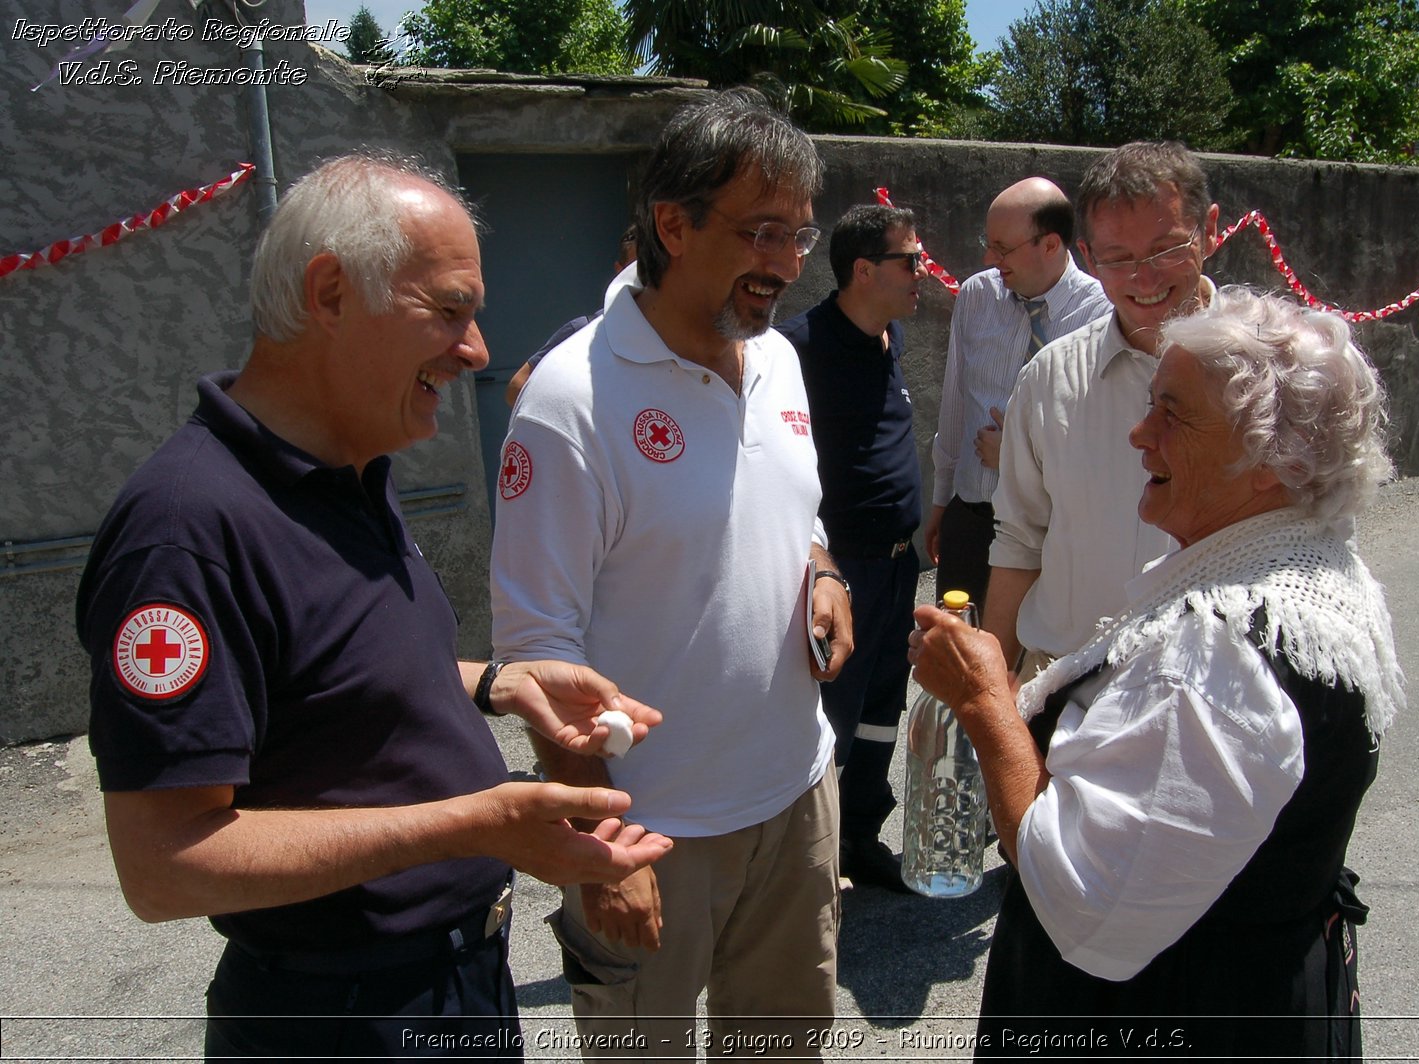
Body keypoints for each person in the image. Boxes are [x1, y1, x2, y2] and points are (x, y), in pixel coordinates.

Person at [75, 153, 674, 1061]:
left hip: (449, 985)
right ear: (329, 293)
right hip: (341, 1017)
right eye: (450, 310)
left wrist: (501, 681)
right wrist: (478, 823)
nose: (476, 350)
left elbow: (323, 676)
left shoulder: (352, 469)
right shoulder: (187, 528)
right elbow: (166, 866)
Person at [909, 287, 1405, 1058]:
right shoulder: (1310, 565)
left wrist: (984, 701)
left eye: (1174, 413)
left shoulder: (1221, 654)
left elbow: (1079, 898)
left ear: (1275, 462)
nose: (1140, 433)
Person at [489, 89, 852, 1058]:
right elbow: (535, 650)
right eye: (762, 231)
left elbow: (795, 511)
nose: (783, 263)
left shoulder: (775, 356)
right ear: (673, 223)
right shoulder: (569, 399)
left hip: (796, 794)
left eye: (798, 234)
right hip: (651, 827)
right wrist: (603, 848)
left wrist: (823, 572)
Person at [986, 142, 1220, 680]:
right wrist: (991, 690)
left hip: (1206, 697)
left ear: (1208, 231)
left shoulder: (1270, 373)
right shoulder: (1048, 380)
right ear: (1089, 258)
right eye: (1118, 257)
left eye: (1166, 249)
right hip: (1064, 693)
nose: (1145, 277)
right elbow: (1020, 539)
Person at [776, 204, 926, 892]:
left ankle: (860, 836)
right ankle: (809, 858)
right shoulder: (796, 348)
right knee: (828, 720)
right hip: (842, 574)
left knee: (880, 714)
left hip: (901, 569)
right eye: (911, 261)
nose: (923, 273)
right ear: (865, 270)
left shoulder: (889, 339)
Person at [926, 177, 1110, 610]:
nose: (991, 259)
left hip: (1052, 535)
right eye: (988, 244)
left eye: (1003, 249)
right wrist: (941, 504)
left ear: (1050, 244)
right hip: (973, 519)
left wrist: (1018, 454)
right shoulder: (977, 296)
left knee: (1030, 673)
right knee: (957, 661)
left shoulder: (1104, 315)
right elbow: (954, 408)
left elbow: (1105, 443)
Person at [504, 225, 638, 406]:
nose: (647, 279)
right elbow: (517, 388)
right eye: (636, 269)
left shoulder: (679, 338)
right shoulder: (583, 330)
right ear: (619, 270)